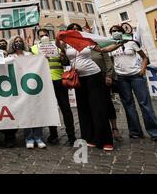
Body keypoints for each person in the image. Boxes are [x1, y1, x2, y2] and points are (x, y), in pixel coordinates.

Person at [61, 23, 120, 151]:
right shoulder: (65, 42)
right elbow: (57, 44)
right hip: (78, 79)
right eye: (72, 29)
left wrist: (119, 44)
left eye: (78, 28)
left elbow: (104, 50)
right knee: (83, 108)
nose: (75, 30)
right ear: (68, 31)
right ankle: (90, 138)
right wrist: (60, 35)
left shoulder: (87, 40)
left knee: (98, 107)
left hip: (94, 75)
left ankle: (105, 140)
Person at [108, 25, 157, 142]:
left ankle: (154, 132)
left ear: (121, 32)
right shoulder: (111, 46)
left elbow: (145, 57)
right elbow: (110, 60)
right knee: (128, 105)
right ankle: (135, 132)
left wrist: (143, 69)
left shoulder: (132, 43)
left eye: (116, 31)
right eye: (112, 31)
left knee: (145, 104)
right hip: (121, 78)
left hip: (136, 76)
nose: (115, 33)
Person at [31, 29, 76, 146]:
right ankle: (53, 135)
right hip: (45, 82)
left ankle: (71, 135)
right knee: (50, 109)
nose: (44, 37)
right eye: (41, 36)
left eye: (46, 35)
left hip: (59, 80)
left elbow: (66, 63)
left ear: (49, 35)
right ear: (38, 38)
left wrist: (62, 55)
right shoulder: (34, 48)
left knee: (65, 108)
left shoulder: (57, 46)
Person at [8, 36, 46, 149]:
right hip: (19, 88)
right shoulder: (11, 56)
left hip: (32, 87)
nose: (18, 43)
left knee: (36, 112)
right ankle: (29, 138)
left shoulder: (29, 55)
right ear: (12, 44)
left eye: (20, 41)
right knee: (26, 113)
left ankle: (38, 137)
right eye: (16, 41)